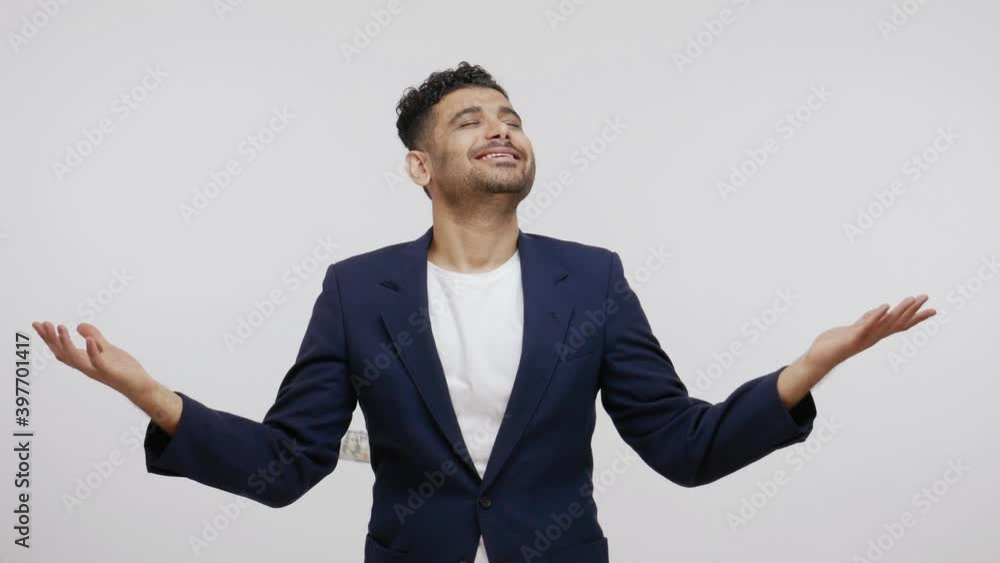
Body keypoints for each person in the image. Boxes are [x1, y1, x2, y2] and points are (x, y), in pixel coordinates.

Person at [33, 61, 936, 563]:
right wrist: (151, 394)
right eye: (470, 120)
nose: (501, 127)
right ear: (421, 166)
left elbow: (682, 445)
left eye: (510, 116)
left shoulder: (593, 280)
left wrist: (805, 370)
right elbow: (287, 464)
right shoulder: (357, 290)